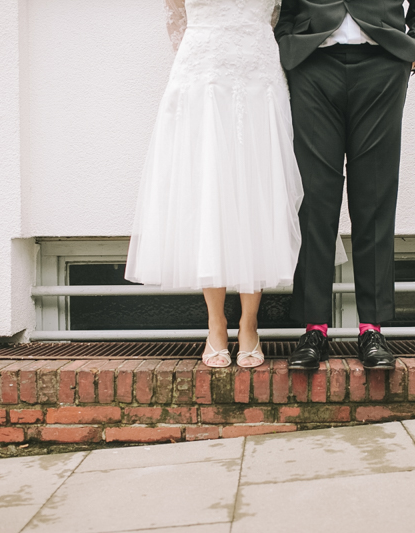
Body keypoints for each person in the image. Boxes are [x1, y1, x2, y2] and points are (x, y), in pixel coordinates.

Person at [125, 0, 304, 369]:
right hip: (203, 74)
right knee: (207, 191)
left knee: (257, 192)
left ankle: (250, 324)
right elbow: (177, 19)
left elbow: (277, 15)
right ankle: (216, 324)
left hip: (257, 74)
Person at [275, 0, 415, 370]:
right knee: (315, 200)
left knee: (375, 197)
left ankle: (372, 329)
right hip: (312, 66)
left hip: (383, 65)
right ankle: (314, 328)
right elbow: (283, 9)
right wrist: (289, 47)